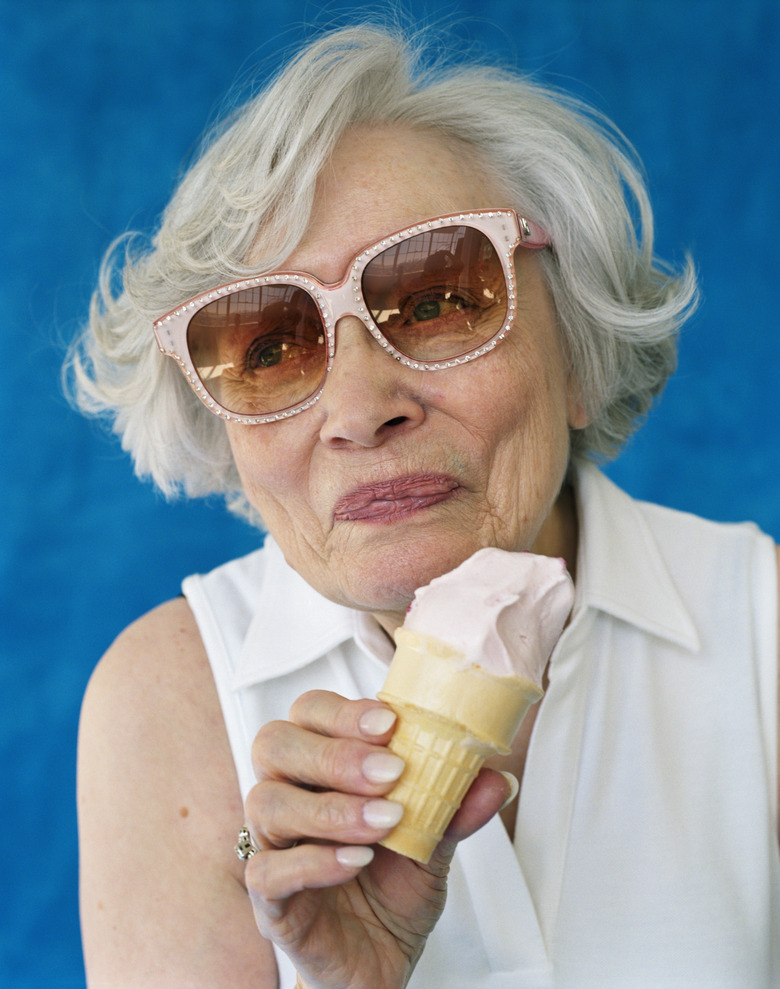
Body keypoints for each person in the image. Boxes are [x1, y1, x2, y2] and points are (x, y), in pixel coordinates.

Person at [71, 23, 780, 989]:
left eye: (441, 297)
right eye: (270, 346)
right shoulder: (166, 708)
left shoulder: (762, 625)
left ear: (577, 351)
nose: (361, 411)